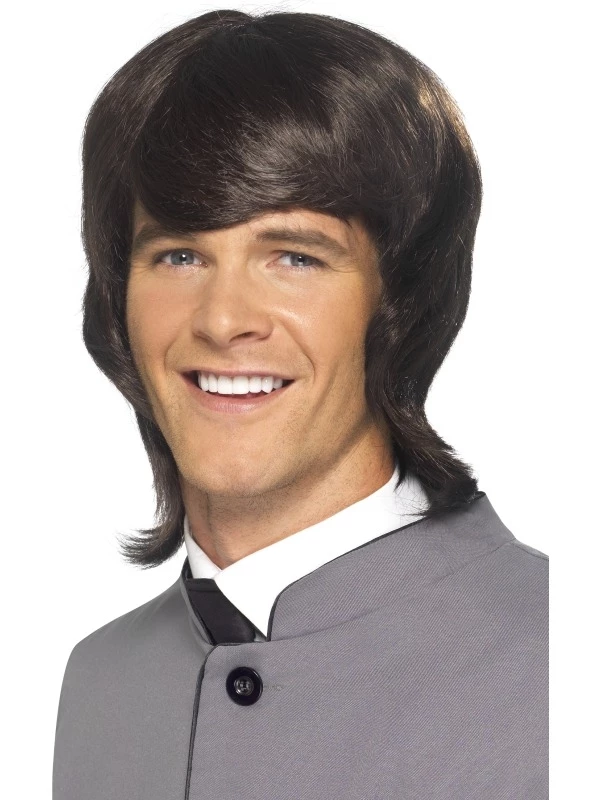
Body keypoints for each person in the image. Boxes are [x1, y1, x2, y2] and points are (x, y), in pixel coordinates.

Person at [52, 9, 548, 799]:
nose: (222, 320)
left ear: (402, 301)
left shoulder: (555, 664)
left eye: (294, 256)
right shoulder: (101, 684)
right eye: (179, 255)